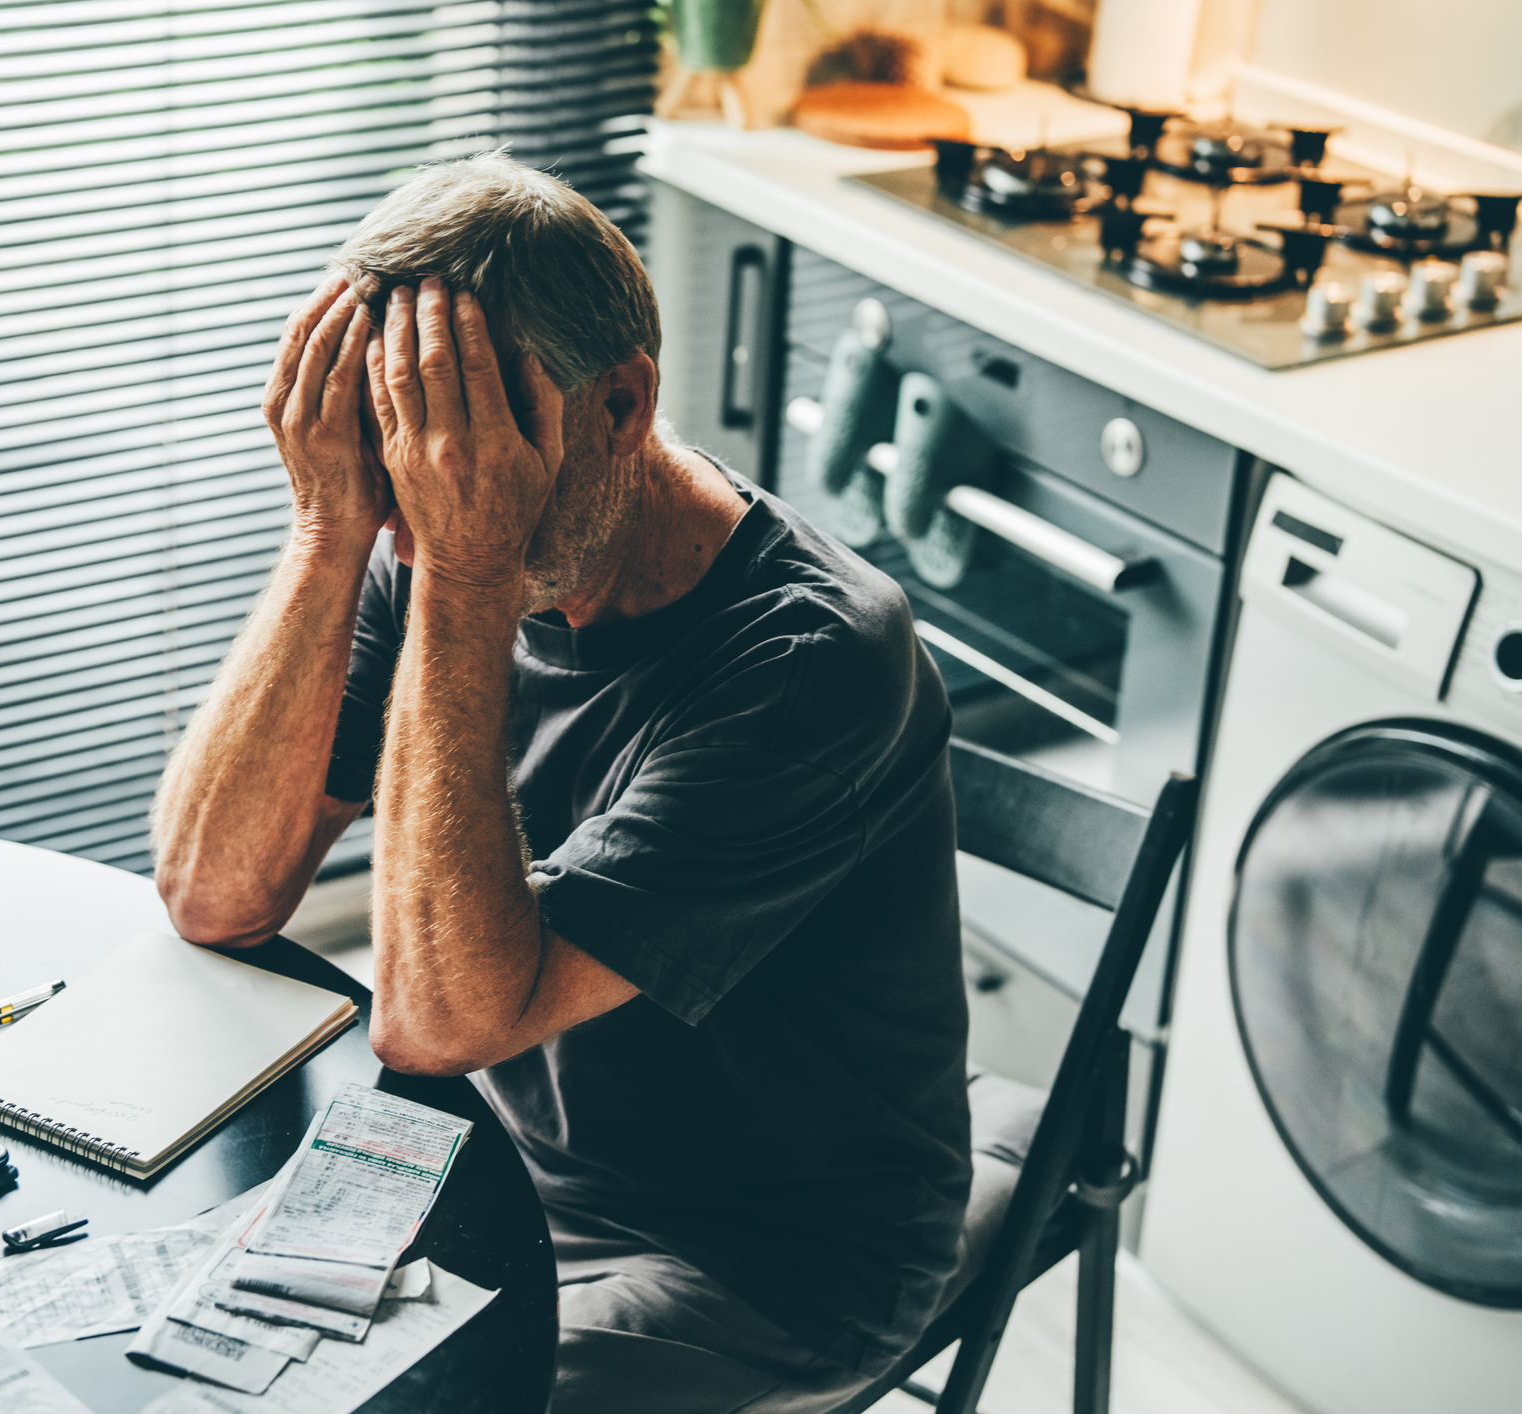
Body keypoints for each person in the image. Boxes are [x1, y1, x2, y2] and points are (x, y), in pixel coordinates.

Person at [151, 152, 970, 1412]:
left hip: (755, 1252)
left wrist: (468, 572)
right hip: (491, 1153)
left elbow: (434, 1024)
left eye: (464, 469)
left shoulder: (814, 660)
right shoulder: (426, 519)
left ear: (622, 403)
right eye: (399, 469)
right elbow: (216, 893)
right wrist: (327, 530)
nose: (416, 530)